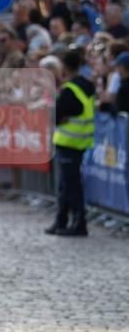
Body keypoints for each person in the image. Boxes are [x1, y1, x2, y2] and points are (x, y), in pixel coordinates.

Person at [45, 48, 95, 238]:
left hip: (69, 141)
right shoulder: (87, 85)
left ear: (65, 67)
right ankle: (62, 220)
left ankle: (79, 222)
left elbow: (57, 116)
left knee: (71, 185)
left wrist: (59, 115)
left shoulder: (70, 89)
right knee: (67, 184)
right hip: (81, 141)